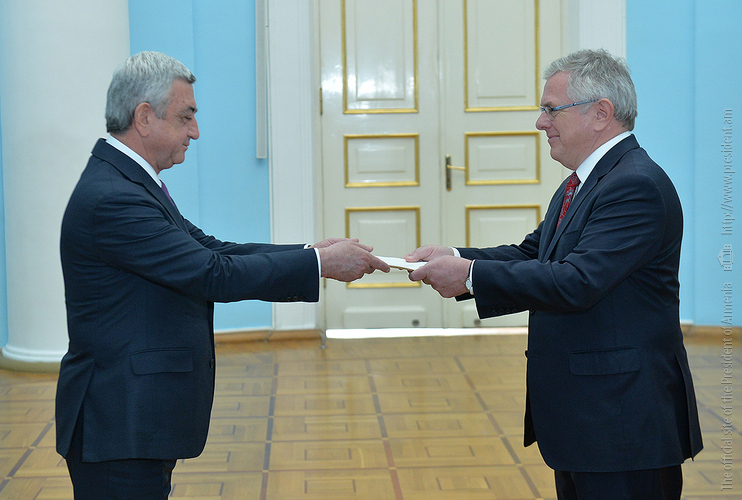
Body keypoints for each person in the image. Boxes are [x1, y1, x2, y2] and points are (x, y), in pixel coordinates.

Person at [56, 51, 390, 499]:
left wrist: (311, 253)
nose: (195, 131)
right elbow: (211, 273)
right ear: (144, 117)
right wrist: (320, 266)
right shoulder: (115, 197)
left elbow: (212, 249)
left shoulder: (129, 182)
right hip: (117, 422)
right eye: (186, 117)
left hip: (132, 418)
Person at [405, 49, 702, 499]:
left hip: (623, 423)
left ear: (601, 113)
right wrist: (453, 255)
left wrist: (469, 275)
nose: (540, 122)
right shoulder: (584, 181)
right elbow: (534, 253)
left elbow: (576, 281)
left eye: (551, 109)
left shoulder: (634, 185)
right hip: (590, 419)